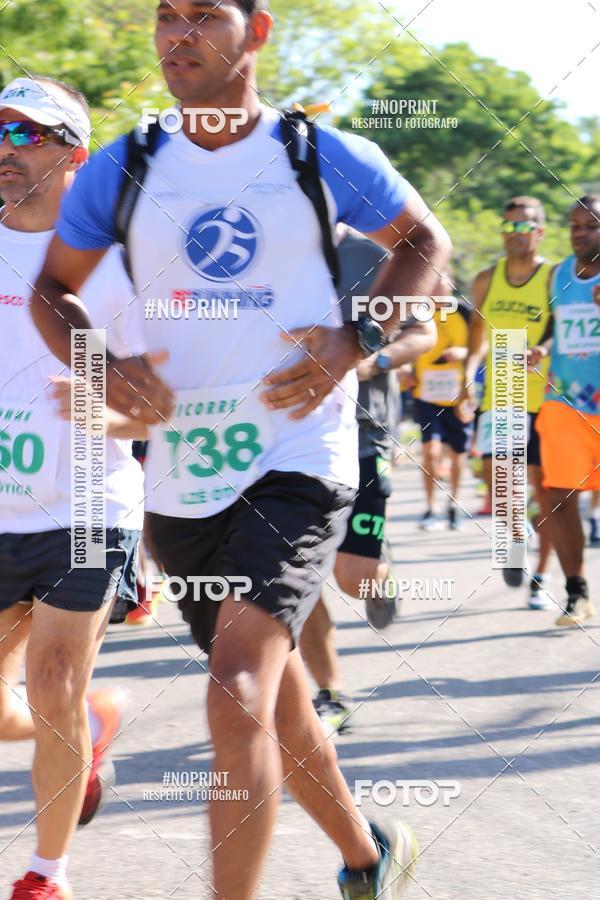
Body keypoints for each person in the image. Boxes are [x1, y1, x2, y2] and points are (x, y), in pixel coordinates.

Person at [30, 2, 452, 897]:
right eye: (165, 18)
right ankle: (369, 857)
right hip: (183, 481)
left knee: (235, 691)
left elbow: (423, 244)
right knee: (273, 700)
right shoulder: (129, 165)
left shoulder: (315, 154)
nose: (178, 35)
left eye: (203, 17)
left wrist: (352, 340)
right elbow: (54, 294)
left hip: (299, 455)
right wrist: (104, 366)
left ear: (255, 33)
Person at [0, 77, 144, 899]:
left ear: (74, 155)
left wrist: (113, 413)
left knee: (54, 679)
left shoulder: (114, 266)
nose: (7, 147)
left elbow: (167, 401)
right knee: (18, 709)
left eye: (28, 132)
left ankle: (46, 875)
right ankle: (87, 731)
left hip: (89, 508)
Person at [301, 227, 437, 734]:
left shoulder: (376, 254)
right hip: (285, 439)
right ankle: (330, 692)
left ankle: (380, 567)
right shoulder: (260, 243)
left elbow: (424, 334)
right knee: (298, 573)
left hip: (363, 433)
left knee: (354, 578)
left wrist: (366, 359)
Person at [461, 196, 554, 608]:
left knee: (548, 490)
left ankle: (543, 577)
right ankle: (516, 537)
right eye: (509, 226)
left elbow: (565, 328)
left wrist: (544, 351)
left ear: (540, 231)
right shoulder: (486, 278)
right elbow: (477, 335)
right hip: (503, 390)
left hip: (549, 395)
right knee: (495, 474)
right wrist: (466, 377)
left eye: (525, 226)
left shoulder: (554, 277)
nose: (515, 234)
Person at [532, 195, 600, 627]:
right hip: (564, 403)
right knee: (559, 495)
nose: (580, 234)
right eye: (575, 226)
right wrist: (540, 348)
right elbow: (553, 327)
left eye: (590, 227)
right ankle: (576, 593)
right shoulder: (558, 274)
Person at [411, 274, 473, 530]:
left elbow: (484, 346)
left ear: (450, 286)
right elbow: (402, 344)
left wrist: (464, 352)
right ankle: (430, 508)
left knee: (459, 454)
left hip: (458, 396)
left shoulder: (466, 313)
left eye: (441, 282)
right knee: (430, 452)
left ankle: (455, 503)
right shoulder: (416, 313)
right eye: (431, 282)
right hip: (426, 396)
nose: (436, 287)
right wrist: (404, 369)